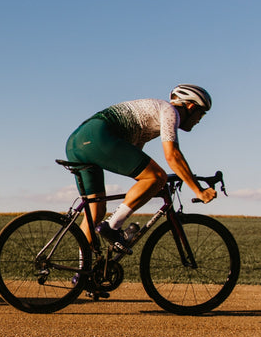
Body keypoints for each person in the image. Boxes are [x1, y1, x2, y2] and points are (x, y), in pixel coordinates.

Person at [64, 84, 216, 254]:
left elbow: (135, 162)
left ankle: (83, 274)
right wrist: (198, 190)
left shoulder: (150, 117)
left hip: (77, 142)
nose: (200, 120)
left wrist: (155, 182)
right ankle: (112, 227)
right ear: (190, 107)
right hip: (98, 136)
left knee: (94, 215)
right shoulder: (170, 111)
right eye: (201, 113)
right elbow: (172, 155)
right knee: (157, 176)